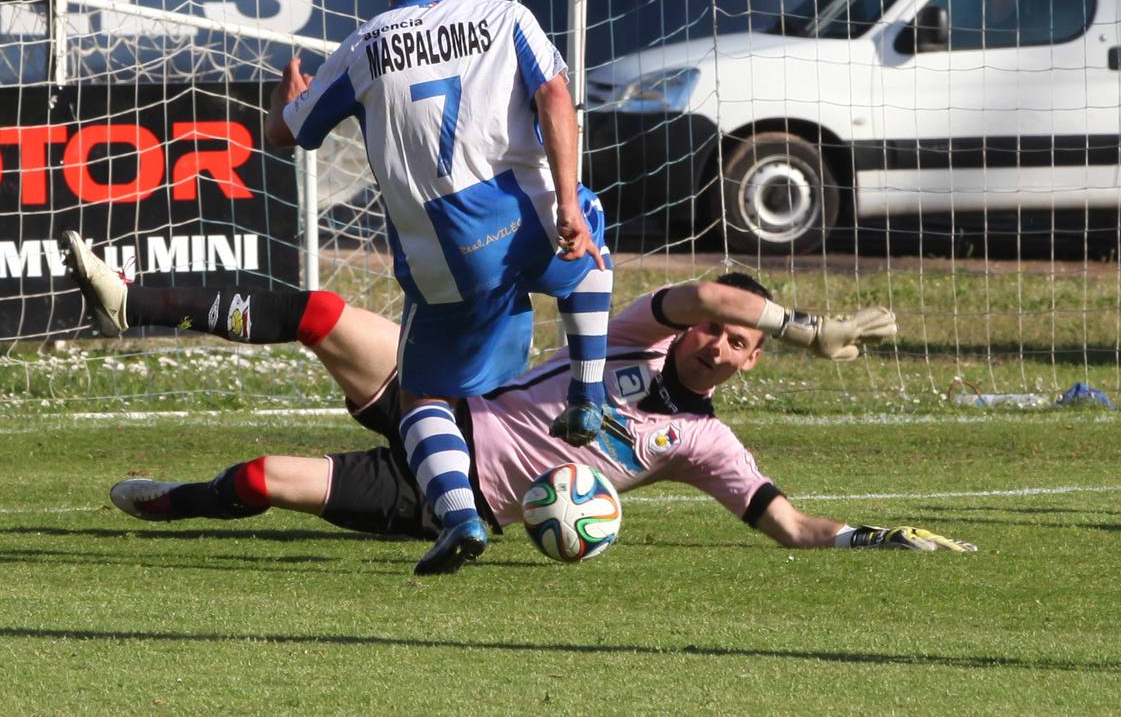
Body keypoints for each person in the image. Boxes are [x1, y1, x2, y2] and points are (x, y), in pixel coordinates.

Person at [61, 233, 977, 562]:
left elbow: (788, 525)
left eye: (742, 347)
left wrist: (877, 536)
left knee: (261, 480)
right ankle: (132, 303)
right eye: (721, 332)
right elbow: (702, 292)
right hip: (455, 391)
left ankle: (167, 504)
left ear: (746, 367)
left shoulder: (706, 448)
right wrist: (800, 323)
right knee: (322, 311)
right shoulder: (630, 334)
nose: (725, 348)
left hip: (441, 494)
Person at [262, 0, 612, 572]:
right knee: (587, 240)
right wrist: (567, 201)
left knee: (423, 395)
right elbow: (557, 98)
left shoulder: (362, 47)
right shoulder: (506, 17)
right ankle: (587, 397)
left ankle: (458, 519)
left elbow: (287, 135)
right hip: (527, 213)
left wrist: (288, 95)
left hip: (447, 252)